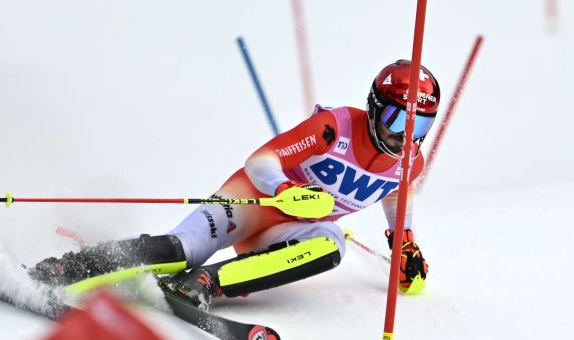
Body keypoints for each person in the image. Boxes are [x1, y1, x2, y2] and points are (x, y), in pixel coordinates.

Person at [29, 59, 438, 311]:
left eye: (420, 124)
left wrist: (403, 242)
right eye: (397, 120)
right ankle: (68, 267)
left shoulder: (410, 162)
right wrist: (281, 190)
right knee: (182, 249)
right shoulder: (335, 127)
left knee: (333, 242)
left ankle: (207, 282)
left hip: (285, 232)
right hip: (252, 200)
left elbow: (395, 190)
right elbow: (260, 161)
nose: (407, 136)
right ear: (373, 110)